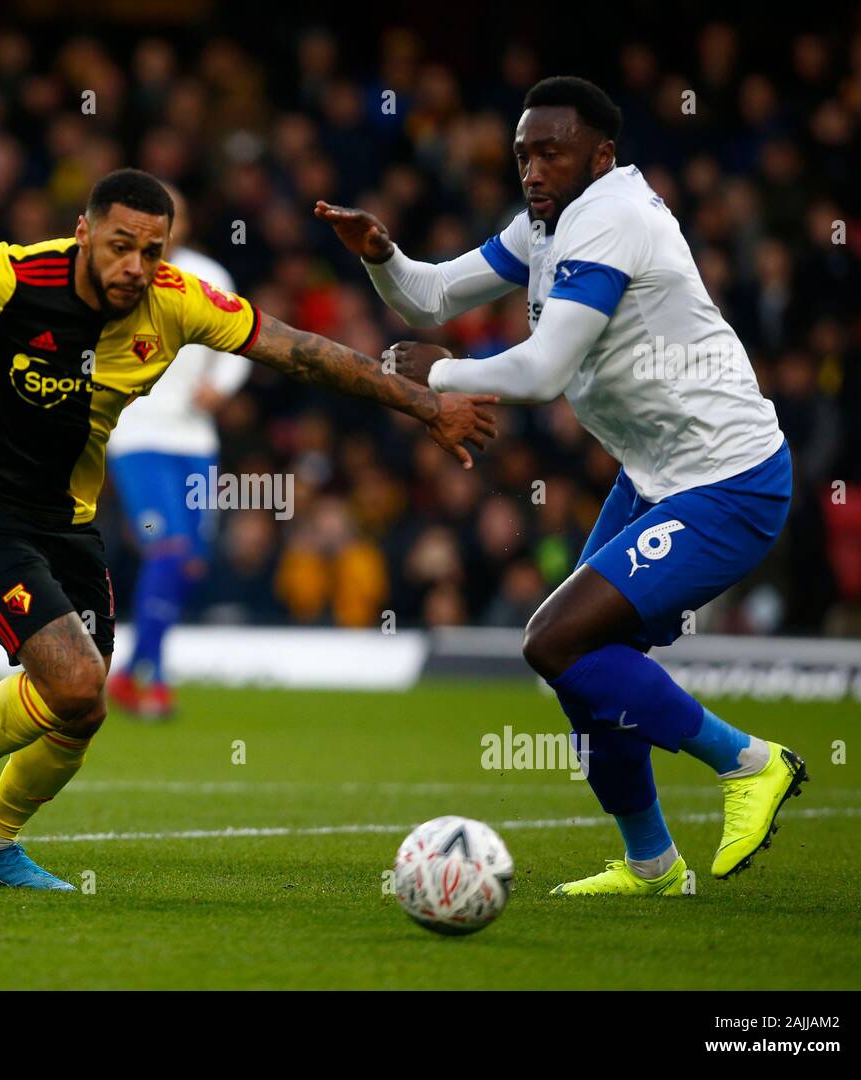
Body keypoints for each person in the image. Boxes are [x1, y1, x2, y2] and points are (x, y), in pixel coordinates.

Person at [0, 167, 497, 890]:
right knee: (77, 678)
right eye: (121, 246)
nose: (136, 267)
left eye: (153, 252)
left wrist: (424, 405)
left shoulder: (178, 304)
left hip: (68, 517)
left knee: (81, 708)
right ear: (84, 233)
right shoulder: (9, 277)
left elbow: (300, 350)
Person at [318, 77, 806, 896]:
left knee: (553, 640)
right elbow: (431, 294)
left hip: (731, 482)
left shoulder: (613, 219)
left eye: (551, 152)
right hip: (656, 478)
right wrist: (383, 257)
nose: (533, 169)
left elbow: (544, 373)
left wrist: (435, 373)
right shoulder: (544, 227)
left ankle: (751, 763)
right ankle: (652, 865)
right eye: (522, 155)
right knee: (579, 662)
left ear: (601, 156)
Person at [104, 186, 251, 719]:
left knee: (190, 561)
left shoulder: (209, 276)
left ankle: (127, 674)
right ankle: (158, 679)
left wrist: (223, 386)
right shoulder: (118, 274)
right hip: (137, 434)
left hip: (196, 439)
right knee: (165, 548)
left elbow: (242, 342)